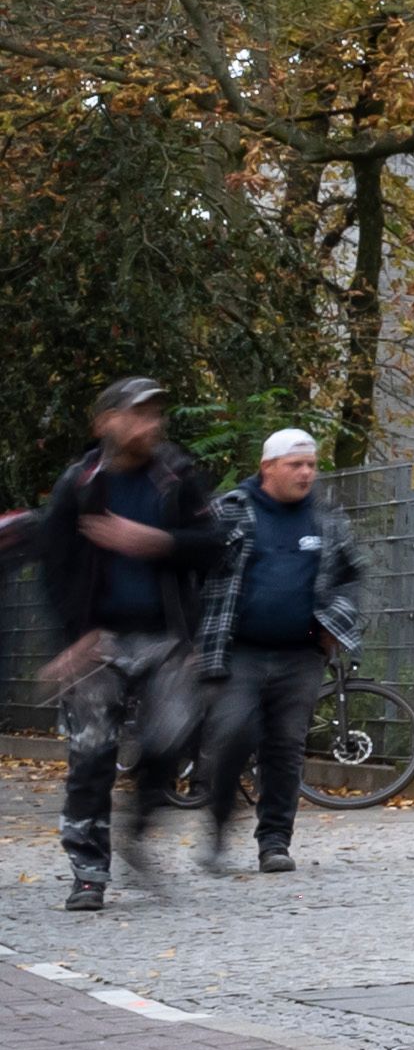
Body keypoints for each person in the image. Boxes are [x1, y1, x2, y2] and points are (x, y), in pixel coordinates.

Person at [31, 379, 228, 911]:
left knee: (172, 739)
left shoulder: (177, 478)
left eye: (156, 414)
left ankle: (137, 834)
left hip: (165, 637)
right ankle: (88, 872)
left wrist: (159, 542)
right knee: (91, 754)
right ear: (105, 422)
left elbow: (215, 550)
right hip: (99, 640)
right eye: (137, 414)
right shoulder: (79, 483)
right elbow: (54, 567)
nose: (149, 425)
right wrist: (72, 640)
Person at [197, 428, 367, 875]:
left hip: (301, 654)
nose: (307, 472)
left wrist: (335, 626)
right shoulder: (230, 510)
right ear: (267, 466)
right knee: (234, 734)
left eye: (312, 464)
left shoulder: (326, 517)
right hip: (239, 651)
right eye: (296, 464)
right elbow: (191, 571)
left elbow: (352, 576)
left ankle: (274, 841)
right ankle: (216, 828)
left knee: (286, 749)